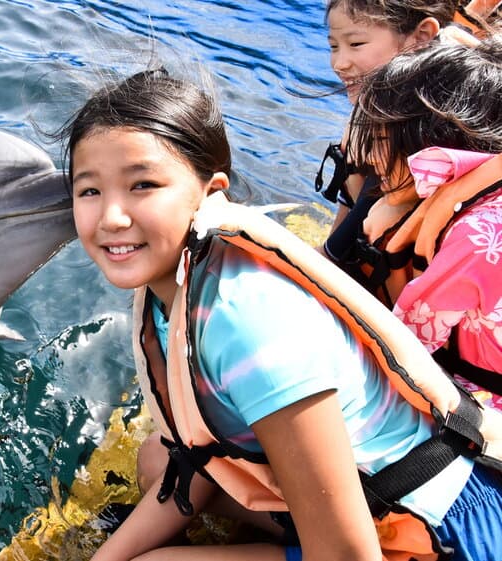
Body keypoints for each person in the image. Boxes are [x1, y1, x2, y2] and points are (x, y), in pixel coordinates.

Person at [53, 67, 502, 561]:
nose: (113, 217)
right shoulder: (180, 281)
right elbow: (198, 459)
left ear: (210, 191)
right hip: (377, 505)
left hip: (448, 534)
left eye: (143, 185)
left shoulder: (248, 321)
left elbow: (348, 556)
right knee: (157, 460)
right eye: (90, 190)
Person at [347, 36, 502, 410]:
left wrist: (385, 240)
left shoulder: (475, 237)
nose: (368, 156)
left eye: (381, 138)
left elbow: (403, 353)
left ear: (428, 143)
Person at [317, 0, 476, 307]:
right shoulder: (371, 119)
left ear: (422, 36)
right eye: (334, 46)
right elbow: (336, 243)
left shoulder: (436, 132)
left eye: (356, 43)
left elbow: (329, 258)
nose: (339, 63)